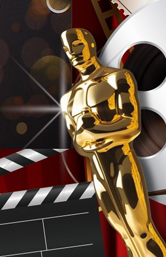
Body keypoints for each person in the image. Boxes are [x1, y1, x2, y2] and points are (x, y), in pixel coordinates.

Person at [60, 28, 166, 256]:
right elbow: (78, 143)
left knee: (141, 231)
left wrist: (94, 131)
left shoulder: (117, 78)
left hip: (122, 163)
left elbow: (131, 125)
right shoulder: (68, 99)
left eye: (77, 45)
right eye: (68, 49)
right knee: (126, 236)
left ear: (90, 44)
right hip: (99, 174)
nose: (73, 53)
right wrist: (95, 134)